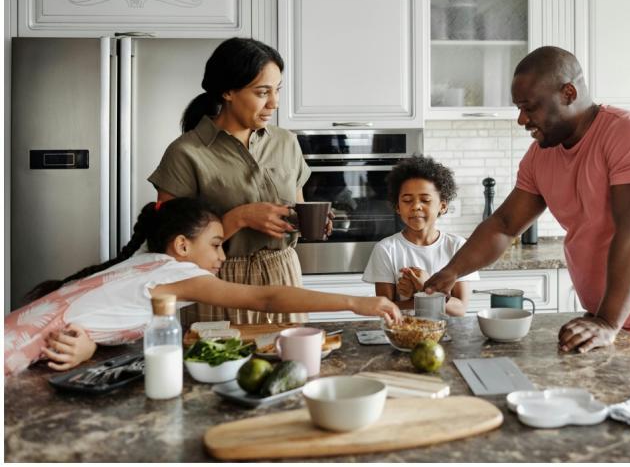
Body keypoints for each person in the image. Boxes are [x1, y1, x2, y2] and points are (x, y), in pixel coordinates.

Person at [424, 46, 630, 376]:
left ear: (568, 93)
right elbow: (504, 225)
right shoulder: (540, 156)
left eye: (529, 107)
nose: (522, 120)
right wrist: (452, 271)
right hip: (607, 319)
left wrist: (607, 321)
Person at [5, 198, 401, 376]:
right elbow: (264, 297)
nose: (222, 257)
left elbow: (97, 316)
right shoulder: (171, 272)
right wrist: (357, 302)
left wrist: (89, 345)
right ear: (181, 246)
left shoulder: (142, 264)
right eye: (215, 245)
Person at [148, 37, 328, 326]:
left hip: (284, 274)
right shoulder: (185, 153)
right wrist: (240, 217)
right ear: (228, 91)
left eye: (277, 90)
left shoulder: (286, 143)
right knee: (221, 367)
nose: (275, 103)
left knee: (292, 367)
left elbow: (297, 207)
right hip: (219, 283)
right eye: (262, 92)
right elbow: (169, 247)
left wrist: (307, 221)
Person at [362, 155, 478, 317]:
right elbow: (385, 309)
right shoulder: (386, 249)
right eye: (407, 200)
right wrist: (426, 295)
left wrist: (424, 288)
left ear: (442, 206)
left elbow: (460, 309)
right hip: (404, 335)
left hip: (449, 335)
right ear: (397, 207)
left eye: (425, 200)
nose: (416, 206)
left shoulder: (457, 246)